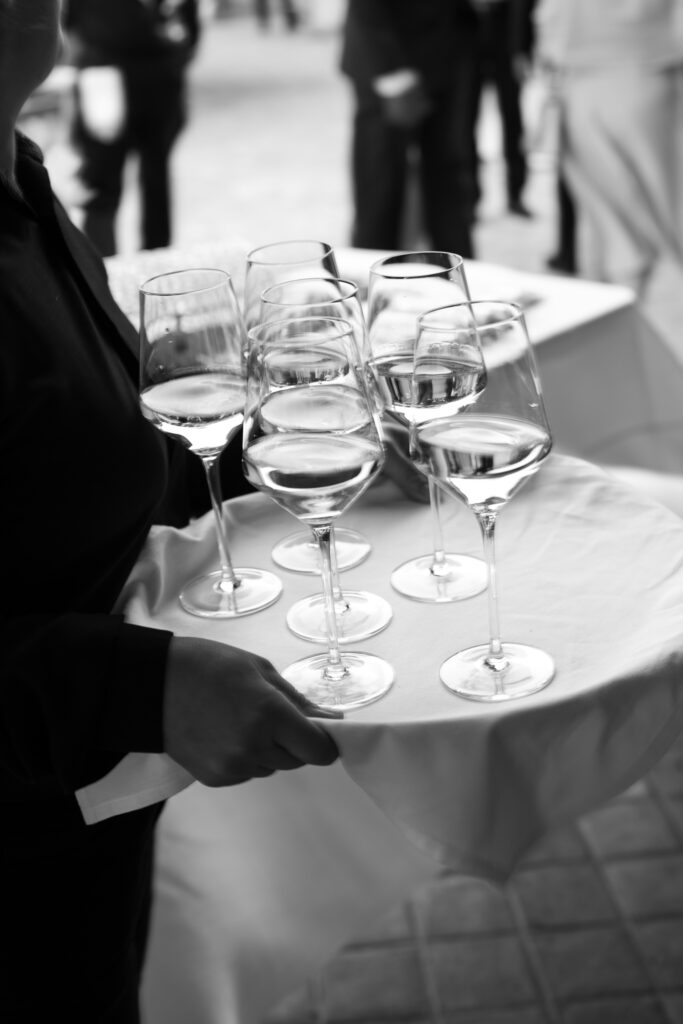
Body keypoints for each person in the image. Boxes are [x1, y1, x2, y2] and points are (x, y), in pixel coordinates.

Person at [0, 3, 347, 1019]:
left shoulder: (20, 178)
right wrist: (139, 689)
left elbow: (78, 459)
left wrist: (272, 460)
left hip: (78, 823)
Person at [533, 0, 683, 296]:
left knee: (628, 227)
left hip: (602, 77)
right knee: (634, 219)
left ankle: (627, 298)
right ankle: (624, 300)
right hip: (618, 73)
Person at [340, 0, 480, 256]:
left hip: (445, 51)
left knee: (447, 178)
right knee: (380, 184)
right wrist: (388, 70)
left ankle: (453, 267)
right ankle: (376, 269)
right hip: (385, 56)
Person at [63, 0, 200, 257]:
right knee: (101, 179)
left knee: (156, 176)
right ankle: (102, 262)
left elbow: (187, 23)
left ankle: (157, 261)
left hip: (158, 79)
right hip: (104, 80)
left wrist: (179, 51)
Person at [468, 0, 534, 218]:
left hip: (507, 42)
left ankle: (516, 193)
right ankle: (469, 198)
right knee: (465, 123)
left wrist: (521, 49)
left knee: (513, 122)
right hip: (469, 41)